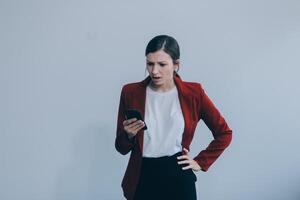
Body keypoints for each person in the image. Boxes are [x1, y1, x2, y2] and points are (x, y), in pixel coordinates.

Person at [115, 35, 233, 200]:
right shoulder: (130, 92)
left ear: (176, 65)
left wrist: (200, 161)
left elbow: (224, 133)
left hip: (178, 174)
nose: (154, 71)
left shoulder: (194, 93)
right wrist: (128, 135)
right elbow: (121, 148)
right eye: (150, 63)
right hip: (142, 175)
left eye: (162, 64)